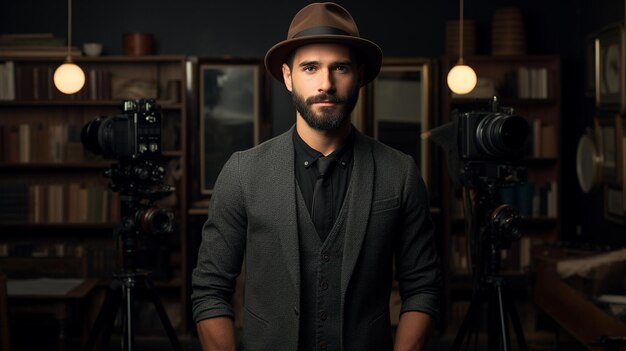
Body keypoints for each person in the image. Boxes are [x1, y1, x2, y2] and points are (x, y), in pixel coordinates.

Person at [191, 3, 441, 350]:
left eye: (340, 67)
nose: (326, 83)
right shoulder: (242, 172)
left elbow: (423, 287)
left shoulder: (399, 172)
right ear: (288, 76)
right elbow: (210, 290)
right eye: (310, 68)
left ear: (360, 75)